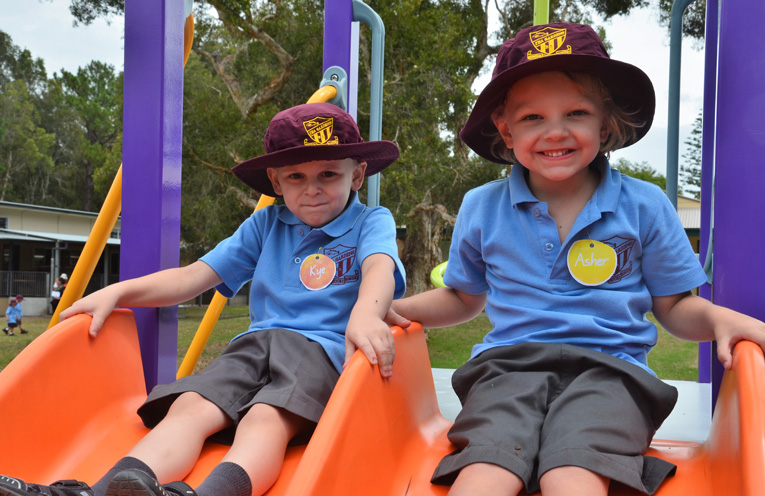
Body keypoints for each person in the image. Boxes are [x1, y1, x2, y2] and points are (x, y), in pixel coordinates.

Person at [385, 23, 765, 496]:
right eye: (532, 118)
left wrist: (720, 319)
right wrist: (394, 310)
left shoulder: (644, 205)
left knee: (572, 473)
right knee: (487, 468)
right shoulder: (482, 206)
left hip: (613, 371)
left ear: (604, 123)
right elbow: (464, 296)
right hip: (506, 370)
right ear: (505, 128)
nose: (555, 132)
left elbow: (673, 306)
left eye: (576, 113)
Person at [0, 102, 405, 496]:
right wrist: (119, 290)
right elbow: (194, 276)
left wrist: (366, 316)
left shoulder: (371, 222)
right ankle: (98, 491)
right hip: (252, 347)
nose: (312, 190)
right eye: (295, 177)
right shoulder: (266, 224)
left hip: (318, 351)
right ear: (276, 182)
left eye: (328, 174)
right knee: (189, 406)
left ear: (357, 175)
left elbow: (378, 268)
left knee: (266, 419)